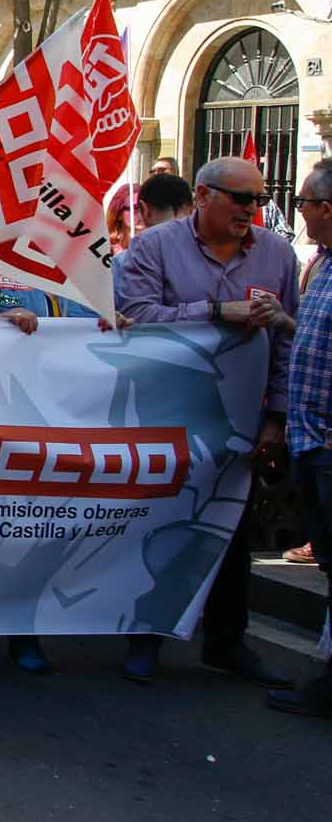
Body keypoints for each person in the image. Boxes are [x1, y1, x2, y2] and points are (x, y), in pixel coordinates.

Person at [112, 155, 297, 690]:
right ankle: (144, 637)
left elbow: (288, 340)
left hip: (241, 418)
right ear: (203, 197)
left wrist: (276, 417)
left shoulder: (278, 254)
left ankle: (227, 640)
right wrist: (218, 312)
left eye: (258, 200)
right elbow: (138, 318)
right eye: (240, 199)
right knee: (159, 524)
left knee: (230, 529)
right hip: (166, 416)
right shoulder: (154, 248)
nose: (251, 210)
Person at [0, 254, 100, 679]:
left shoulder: (81, 263)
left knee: (41, 530)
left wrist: (113, 324)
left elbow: (93, 325)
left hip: (59, 418)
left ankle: (26, 632)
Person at [270, 159, 332, 715]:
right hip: (310, 439)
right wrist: (284, 323)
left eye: (305, 204)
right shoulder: (322, 267)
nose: (300, 214)